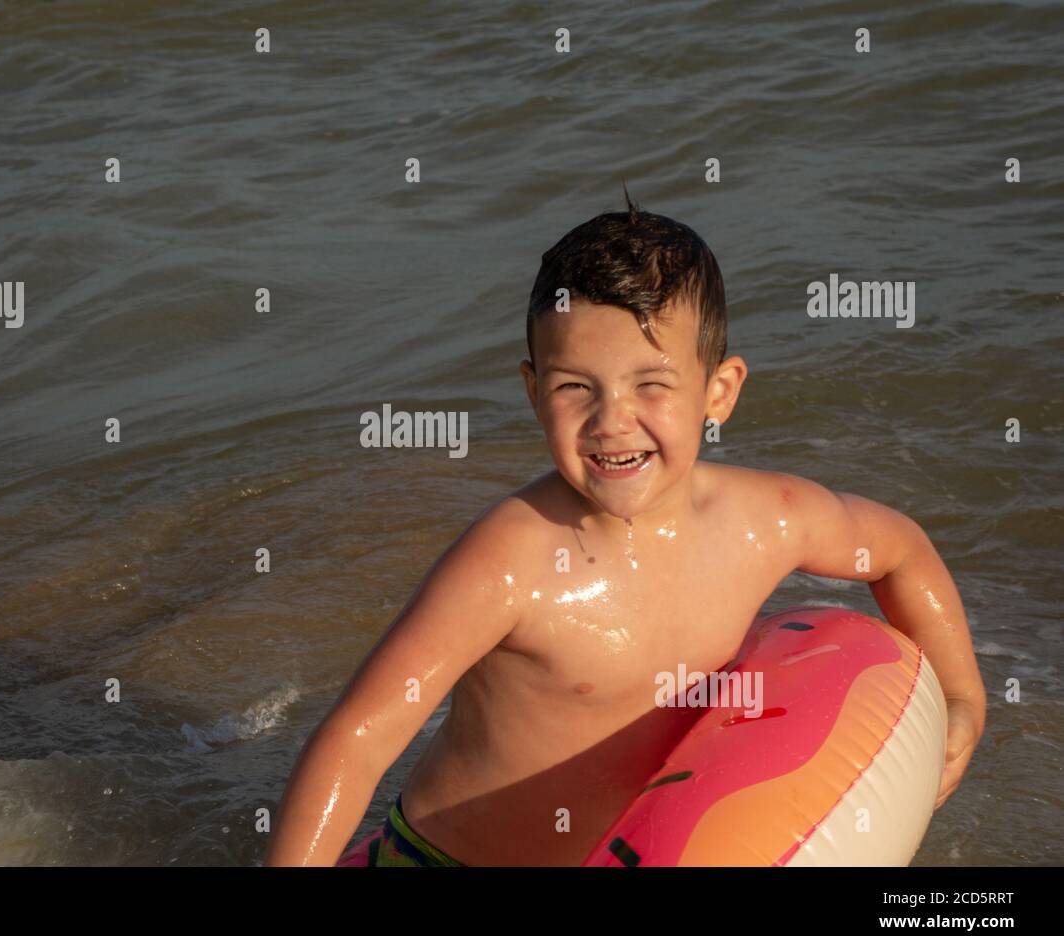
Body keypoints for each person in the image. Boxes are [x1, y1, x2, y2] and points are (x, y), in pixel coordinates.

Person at [264, 192, 986, 866]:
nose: (612, 419)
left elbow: (900, 552)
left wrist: (962, 702)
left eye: (651, 384)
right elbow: (355, 741)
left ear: (719, 392)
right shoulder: (509, 562)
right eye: (575, 386)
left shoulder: (770, 522)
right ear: (532, 391)